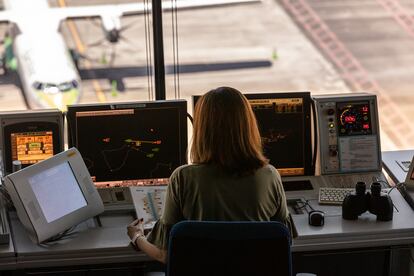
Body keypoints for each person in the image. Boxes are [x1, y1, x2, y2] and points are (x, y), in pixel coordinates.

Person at [127, 86, 295, 264]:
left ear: (202, 130)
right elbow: (285, 242)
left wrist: (137, 237)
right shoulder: (270, 175)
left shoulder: (183, 178)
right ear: (248, 126)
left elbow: (165, 254)